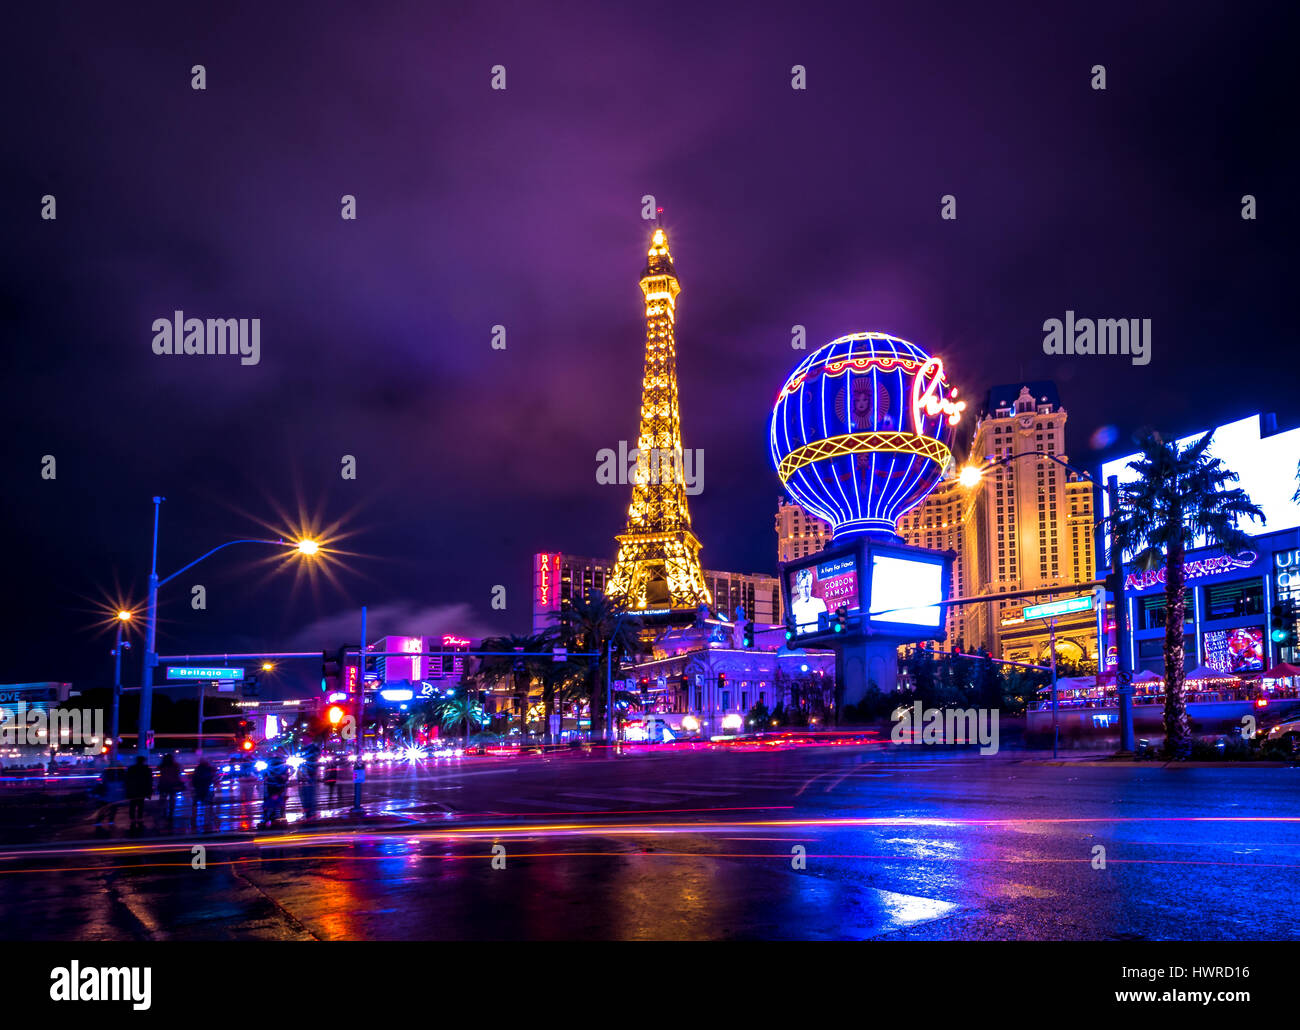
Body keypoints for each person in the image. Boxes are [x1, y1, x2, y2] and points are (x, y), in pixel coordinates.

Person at [790, 567, 827, 634]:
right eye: (802, 587)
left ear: (811, 587)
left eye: (806, 586)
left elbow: (825, 625)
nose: (804, 590)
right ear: (798, 589)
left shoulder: (819, 603)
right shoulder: (794, 607)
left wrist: (806, 629)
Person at [94, 762, 127, 832]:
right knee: (113, 808)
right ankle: (111, 821)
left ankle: (99, 822)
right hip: (116, 793)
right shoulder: (121, 773)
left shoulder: (106, 772)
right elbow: (125, 782)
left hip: (106, 792)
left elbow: (100, 780)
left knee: (103, 808)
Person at [260, 752, 290, 828]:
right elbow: (264, 776)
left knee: (275, 803)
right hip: (273, 787)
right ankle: (273, 817)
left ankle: (274, 817)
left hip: (276, 787)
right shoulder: (279, 767)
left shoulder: (282, 767)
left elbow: (285, 777)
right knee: (273, 803)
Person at [124, 755, 154, 831]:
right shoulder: (146, 769)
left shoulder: (131, 768)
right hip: (142, 789)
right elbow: (149, 781)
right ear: (143, 761)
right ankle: (139, 818)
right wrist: (149, 791)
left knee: (133, 804)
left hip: (133, 789)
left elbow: (127, 779)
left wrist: (128, 789)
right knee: (141, 804)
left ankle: (132, 819)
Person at [190, 757, 217, 831]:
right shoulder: (208, 768)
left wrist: (194, 787)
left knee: (195, 806)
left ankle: (193, 821)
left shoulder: (197, 769)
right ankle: (207, 822)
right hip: (206, 789)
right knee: (208, 806)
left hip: (198, 789)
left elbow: (194, 779)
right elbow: (212, 777)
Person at [157, 753, 183, 827]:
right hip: (172, 785)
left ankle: (164, 813)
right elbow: (178, 774)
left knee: (163, 799)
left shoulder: (162, 765)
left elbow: (159, 771)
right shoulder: (175, 765)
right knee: (172, 800)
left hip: (163, 785)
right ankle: (171, 814)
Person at [298, 742, 320, 820]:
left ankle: (311, 811)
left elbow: (316, 757)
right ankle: (308, 810)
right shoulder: (303, 748)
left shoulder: (313, 748)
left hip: (311, 774)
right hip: (305, 775)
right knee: (304, 793)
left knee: (310, 793)